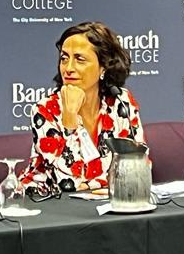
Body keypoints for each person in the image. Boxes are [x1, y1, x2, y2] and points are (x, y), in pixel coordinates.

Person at [20, 21, 144, 194]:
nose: (68, 68)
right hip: (50, 208)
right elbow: (68, 183)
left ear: (103, 67)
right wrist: (70, 116)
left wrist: (95, 185)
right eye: (64, 58)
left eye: (79, 59)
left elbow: (137, 167)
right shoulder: (46, 110)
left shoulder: (120, 102)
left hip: (106, 204)